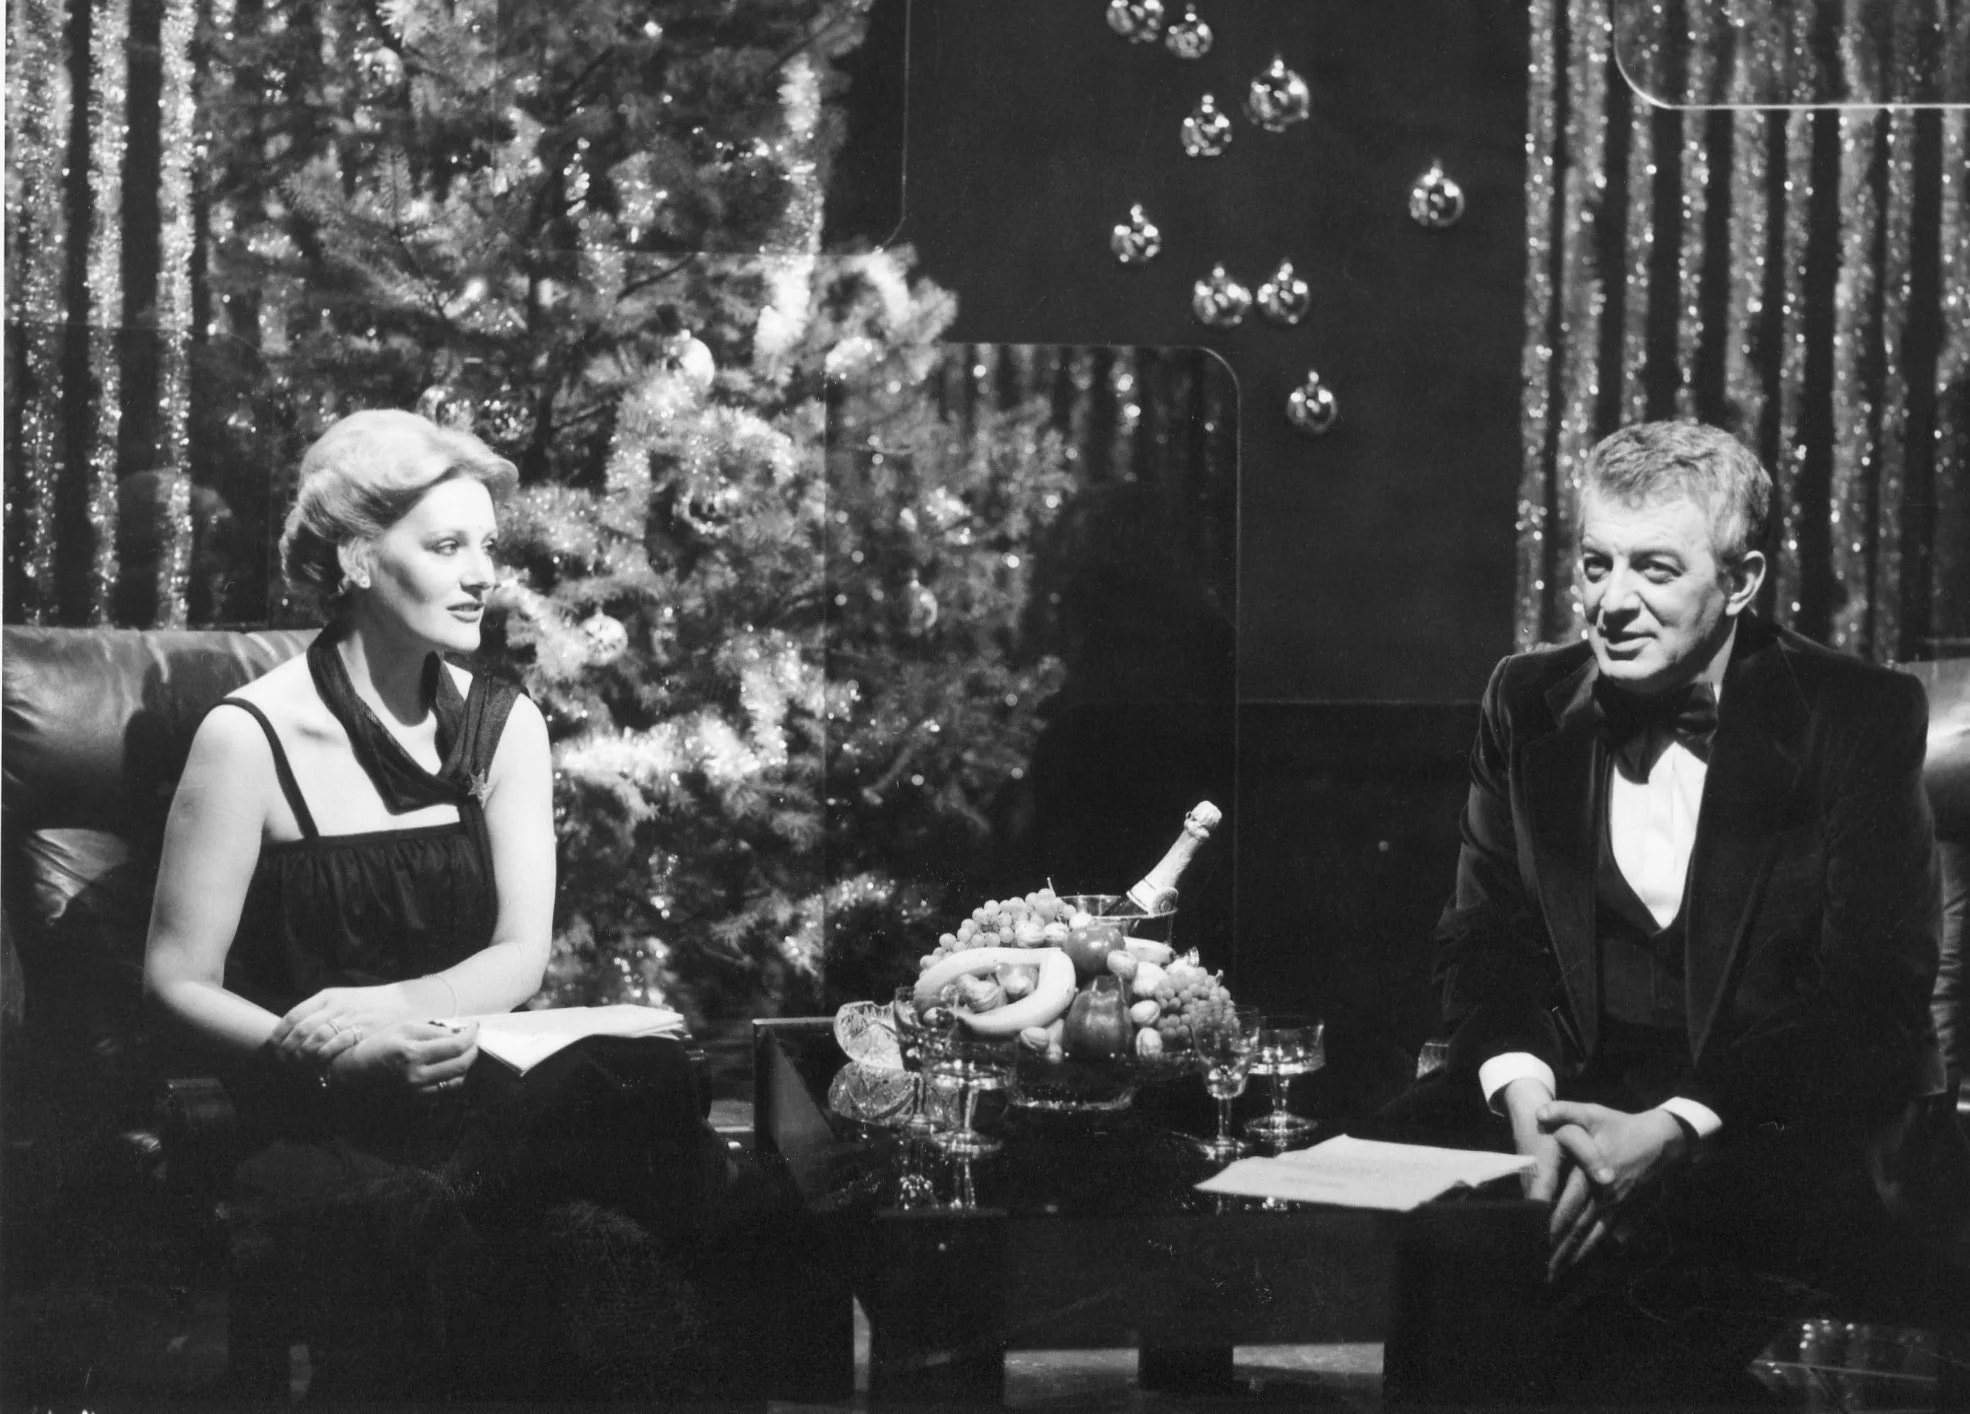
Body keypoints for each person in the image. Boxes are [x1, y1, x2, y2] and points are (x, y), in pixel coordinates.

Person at [141, 409, 725, 1399]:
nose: (481, 574)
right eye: (447, 546)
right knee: (489, 1237)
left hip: (473, 1100)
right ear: (358, 559)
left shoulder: (505, 725)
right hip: (317, 1116)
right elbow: (175, 980)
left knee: (656, 1094)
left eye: (486, 546)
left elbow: (519, 954)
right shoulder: (249, 738)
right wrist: (337, 1054)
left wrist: (390, 1009)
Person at [1389, 420, 1942, 1402]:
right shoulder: (1524, 698)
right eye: (1594, 563)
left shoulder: (1856, 713)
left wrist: (1676, 1127)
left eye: (1653, 569)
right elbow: (1482, 941)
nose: (1611, 601)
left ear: (1740, 581)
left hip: (1758, 1122)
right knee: (1424, 1228)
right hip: (1561, 1100)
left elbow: (1872, 995)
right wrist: (1524, 1101)